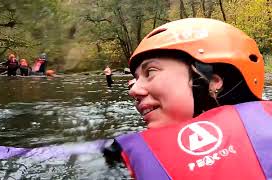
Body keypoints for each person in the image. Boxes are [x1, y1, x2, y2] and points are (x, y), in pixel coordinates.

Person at [113, 18, 272, 179]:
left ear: (212, 82)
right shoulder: (135, 155)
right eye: (136, 78)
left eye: (150, 72)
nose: (133, 90)